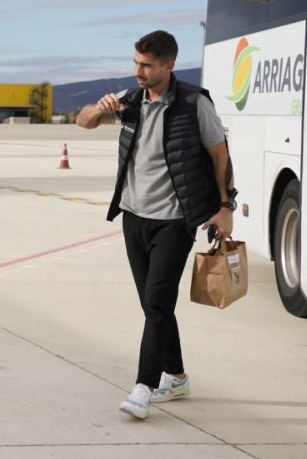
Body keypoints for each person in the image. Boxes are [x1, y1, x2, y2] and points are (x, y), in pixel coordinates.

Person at [77, 30, 234, 421]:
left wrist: (226, 207)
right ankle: (177, 376)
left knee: (159, 302)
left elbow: (220, 154)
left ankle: (143, 387)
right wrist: (99, 110)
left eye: (146, 65)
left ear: (169, 65)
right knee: (154, 306)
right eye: (136, 63)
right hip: (133, 216)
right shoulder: (128, 101)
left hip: (175, 221)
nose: (138, 71)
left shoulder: (193, 103)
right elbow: (83, 122)